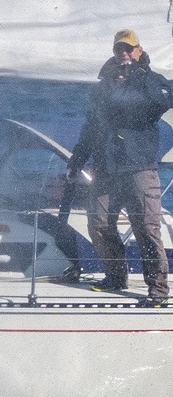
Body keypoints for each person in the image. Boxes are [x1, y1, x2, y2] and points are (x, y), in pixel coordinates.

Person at [67, 29, 173, 307]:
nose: (123, 53)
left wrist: (139, 75)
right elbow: (90, 128)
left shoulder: (151, 81)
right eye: (118, 49)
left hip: (139, 168)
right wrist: (77, 161)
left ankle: (159, 289)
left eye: (128, 49)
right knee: (99, 224)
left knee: (146, 229)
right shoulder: (103, 87)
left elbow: (164, 100)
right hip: (106, 169)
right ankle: (116, 276)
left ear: (139, 50)